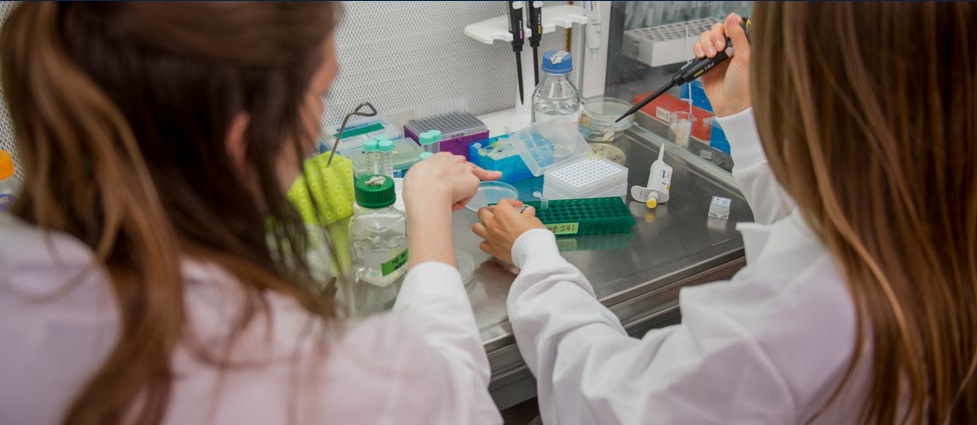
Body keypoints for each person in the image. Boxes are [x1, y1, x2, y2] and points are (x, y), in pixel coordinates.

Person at [0, 3, 502, 424]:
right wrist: (428, 208)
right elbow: (452, 398)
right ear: (242, 145)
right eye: (322, 95)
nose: (321, 130)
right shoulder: (284, 368)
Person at [474, 3, 976, 424]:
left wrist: (536, 255)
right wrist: (741, 113)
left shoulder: (794, 313)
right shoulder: (936, 226)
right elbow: (809, 227)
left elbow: (613, 402)